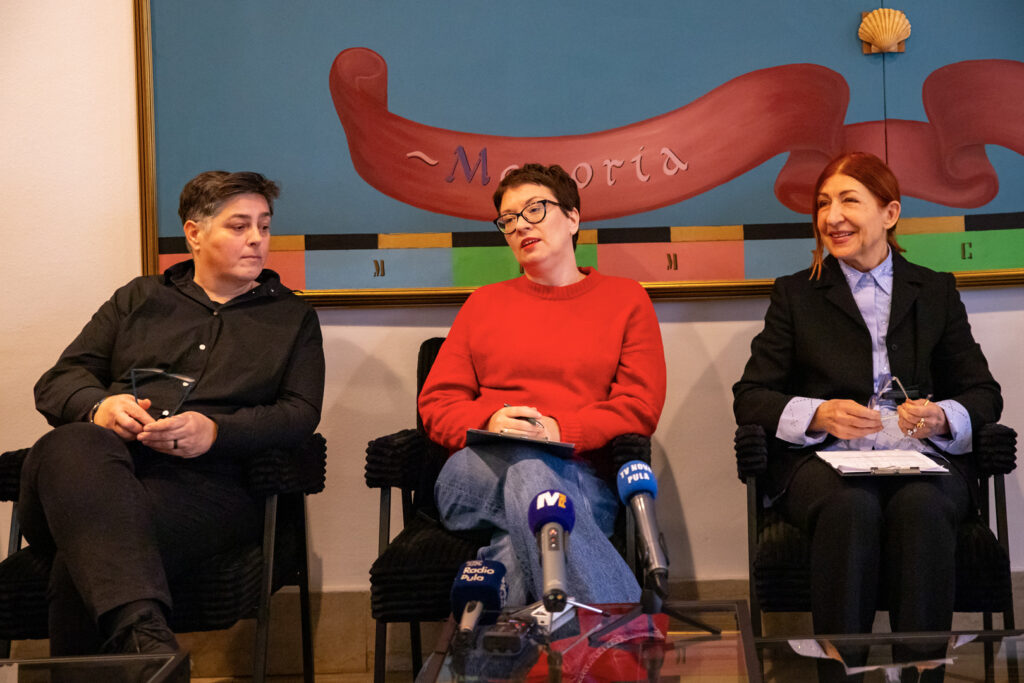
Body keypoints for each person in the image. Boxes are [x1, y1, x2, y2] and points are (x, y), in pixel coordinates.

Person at [21, 171, 325, 655]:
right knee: (74, 440)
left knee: (83, 555)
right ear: (194, 233)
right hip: (95, 470)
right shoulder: (138, 299)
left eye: (265, 226)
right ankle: (148, 642)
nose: (257, 239)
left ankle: (143, 637)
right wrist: (102, 407)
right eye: (239, 226)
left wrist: (216, 431)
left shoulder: (292, 318)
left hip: (205, 490)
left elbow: (299, 413)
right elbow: (58, 381)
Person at [733, 152, 1001, 675]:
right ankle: (840, 671)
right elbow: (751, 395)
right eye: (822, 204)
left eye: (848, 201)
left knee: (922, 507)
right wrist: (819, 414)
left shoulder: (936, 290)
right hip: (825, 464)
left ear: (890, 212)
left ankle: (922, 670)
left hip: (922, 457)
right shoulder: (796, 294)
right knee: (850, 507)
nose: (831, 217)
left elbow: (983, 392)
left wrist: (943, 417)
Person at [418, 163, 667, 608]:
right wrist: (490, 419)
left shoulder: (626, 299)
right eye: (508, 219)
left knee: (522, 523)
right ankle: (627, 632)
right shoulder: (483, 304)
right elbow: (437, 403)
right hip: (475, 474)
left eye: (534, 210)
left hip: (582, 478)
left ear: (573, 217)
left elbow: (639, 404)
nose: (520, 226)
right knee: (531, 473)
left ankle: (484, 648)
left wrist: (559, 430)